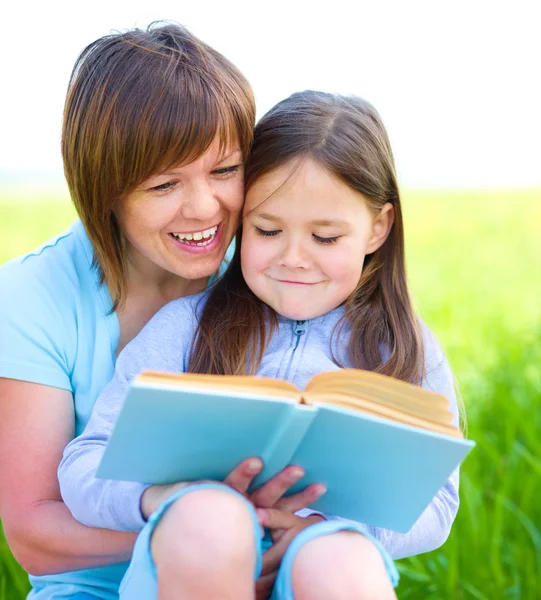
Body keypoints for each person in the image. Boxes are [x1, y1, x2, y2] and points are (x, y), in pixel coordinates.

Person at [58, 90, 462, 600]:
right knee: (212, 519)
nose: (293, 258)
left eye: (326, 238)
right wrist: (161, 496)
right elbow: (84, 465)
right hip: (188, 561)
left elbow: (438, 504)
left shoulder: (405, 349)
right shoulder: (185, 327)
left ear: (378, 228)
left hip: (317, 560)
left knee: (341, 558)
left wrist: (328, 524)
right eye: (267, 229)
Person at [0, 23, 319, 600]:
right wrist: (209, 532)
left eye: (225, 171)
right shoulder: (30, 298)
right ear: (105, 188)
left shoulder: (266, 273)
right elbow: (33, 534)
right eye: (164, 184)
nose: (204, 207)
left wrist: (288, 539)